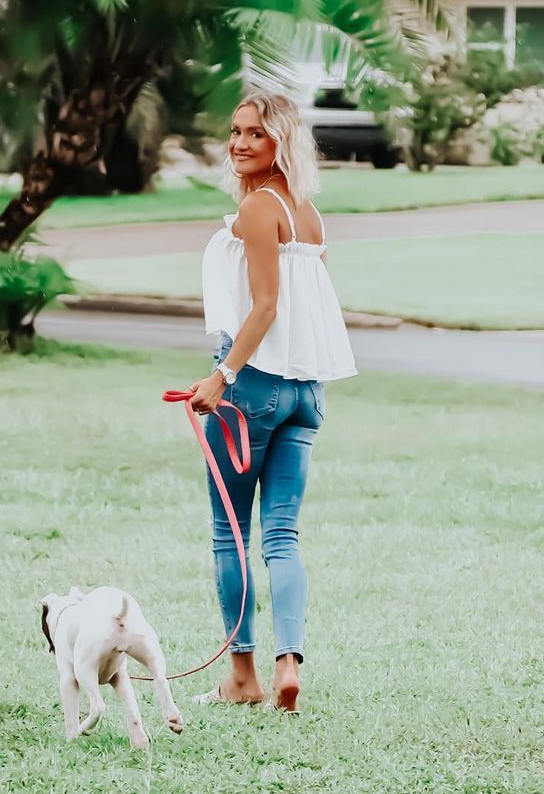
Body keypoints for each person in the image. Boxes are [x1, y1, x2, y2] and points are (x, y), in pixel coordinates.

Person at [185, 90, 357, 713]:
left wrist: (221, 378)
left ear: (280, 140)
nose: (238, 143)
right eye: (234, 132)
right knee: (281, 534)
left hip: (252, 387)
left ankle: (244, 677)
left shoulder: (260, 209)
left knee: (229, 536)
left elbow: (265, 307)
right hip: (305, 392)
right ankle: (290, 661)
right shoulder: (306, 212)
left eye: (254, 134)